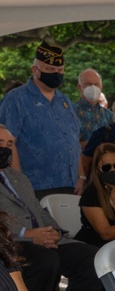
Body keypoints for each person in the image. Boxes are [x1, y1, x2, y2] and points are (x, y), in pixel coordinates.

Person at [0, 126, 102, 291]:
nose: (6, 148)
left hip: (44, 238)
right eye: (1, 142)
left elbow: (38, 210)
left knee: (91, 257)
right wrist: (28, 235)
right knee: (45, 260)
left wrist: (54, 231)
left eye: (10, 144)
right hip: (10, 242)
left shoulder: (16, 177)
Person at [0, 44, 84, 198]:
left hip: (71, 186)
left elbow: (73, 141)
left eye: (59, 70)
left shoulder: (64, 101)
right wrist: (18, 185)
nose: (56, 74)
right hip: (35, 187)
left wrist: (81, 176)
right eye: (50, 69)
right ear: (35, 70)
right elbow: (7, 144)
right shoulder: (16, 100)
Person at [74, 68, 113, 144]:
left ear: (101, 86)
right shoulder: (70, 113)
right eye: (88, 84)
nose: (93, 87)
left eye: (96, 84)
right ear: (79, 87)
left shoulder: (109, 115)